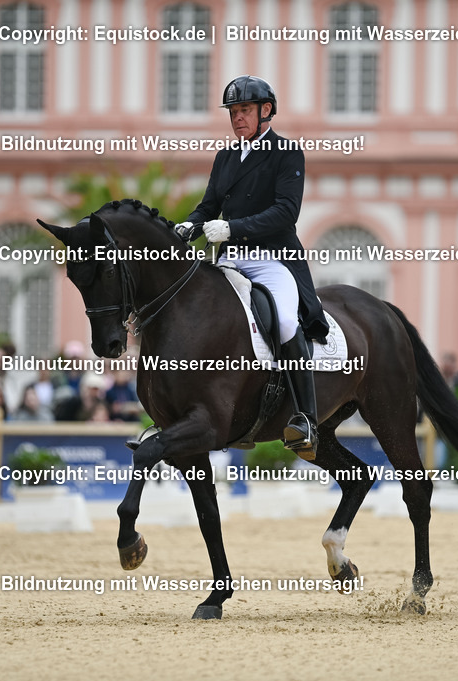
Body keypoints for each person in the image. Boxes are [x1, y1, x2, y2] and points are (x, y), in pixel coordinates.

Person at [175, 75, 329, 459]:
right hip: (229, 260)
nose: (237, 118)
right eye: (233, 111)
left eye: (244, 110)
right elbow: (209, 206)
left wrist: (234, 227)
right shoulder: (226, 157)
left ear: (265, 111)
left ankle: (305, 419)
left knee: (285, 322)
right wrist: (189, 225)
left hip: (272, 259)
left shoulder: (287, 153)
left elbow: (285, 212)